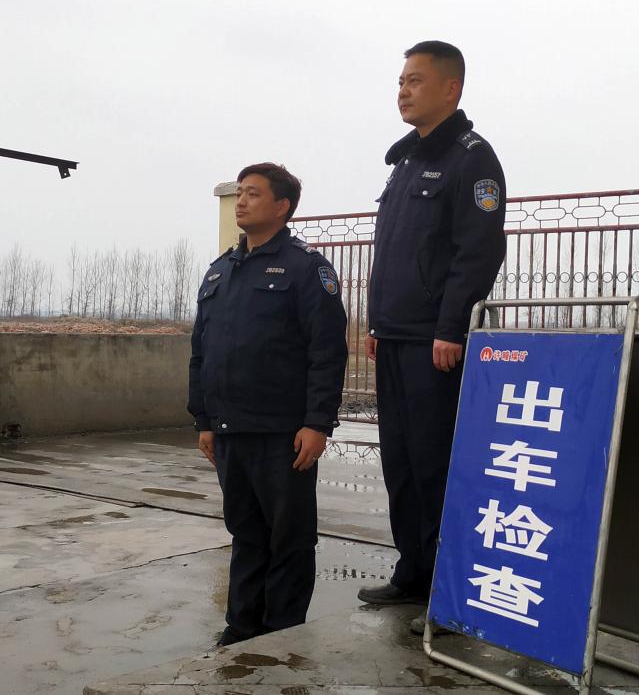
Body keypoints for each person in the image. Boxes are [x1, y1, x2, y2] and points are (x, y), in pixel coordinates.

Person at [356, 41, 506, 635]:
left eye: (415, 80)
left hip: (434, 345)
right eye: (400, 81)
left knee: (436, 465)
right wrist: (377, 324)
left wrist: (451, 327)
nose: (403, 90)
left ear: (451, 88)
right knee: (400, 463)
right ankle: (413, 573)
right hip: (395, 338)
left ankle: (452, 593)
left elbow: (477, 251)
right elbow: (392, 254)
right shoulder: (406, 163)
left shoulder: (472, 159)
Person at [188, 162, 348, 647]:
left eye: (253, 193)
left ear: (282, 206)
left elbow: (327, 350)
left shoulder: (306, 268)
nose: (241, 201)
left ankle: (281, 634)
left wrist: (317, 423)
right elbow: (202, 351)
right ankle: (241, 627)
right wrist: (204, 419)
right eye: (239, 192)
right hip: (230, 429)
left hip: (283, 432)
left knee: (289, 536)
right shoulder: (221, 270)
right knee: (245, 532)